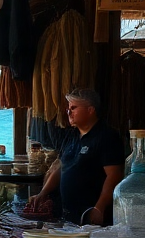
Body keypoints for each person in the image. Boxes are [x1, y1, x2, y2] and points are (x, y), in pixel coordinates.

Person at [29, 88, 125, 225]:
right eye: (68, 108)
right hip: (68, 215)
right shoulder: (72, 135)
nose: (69, 112)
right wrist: (42, 193)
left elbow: (114, 175)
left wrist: (100, 208)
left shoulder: (107, 137)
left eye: (74, 108)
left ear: (90, 110)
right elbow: (61, 168)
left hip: (91, 213)